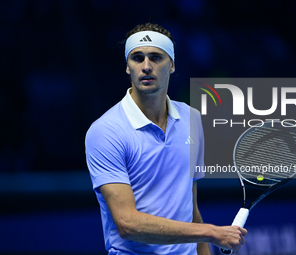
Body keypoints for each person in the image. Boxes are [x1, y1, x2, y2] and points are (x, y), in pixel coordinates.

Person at [85, 23, 247, 255]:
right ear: (127, 67)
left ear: (171, 65)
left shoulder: (191, 119)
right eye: (137, 58)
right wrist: (212, 232)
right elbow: (127, 224)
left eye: (156, 57)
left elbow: (190, 208)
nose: (146, 66)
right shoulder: (106, 131)